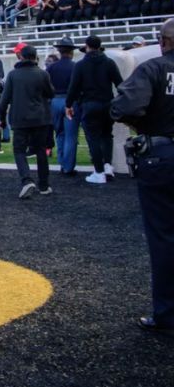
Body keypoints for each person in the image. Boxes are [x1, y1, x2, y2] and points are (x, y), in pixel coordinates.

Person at [111, 18, 174, 334]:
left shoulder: (153, 69)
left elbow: (123, 106)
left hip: (161, 156)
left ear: (163, 41)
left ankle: (166, 314)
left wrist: (145, 127)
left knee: (163, 237)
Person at [0, 44, 55, 199]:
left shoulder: (13, 75)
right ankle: (44, 184)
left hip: (20, 118)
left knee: (19, 150)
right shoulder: (42, 74)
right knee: (41, 151)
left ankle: (26, 179)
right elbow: (50, 93)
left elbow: (4, 100)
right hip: (40, 117)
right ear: (35, 57)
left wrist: (1, 119)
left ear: (21, 57)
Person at [67, 34, 122, 184]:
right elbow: (120, 83)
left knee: (93, 138)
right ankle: (107, 166)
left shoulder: (80, 65)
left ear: (87, 46)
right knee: (107, 135)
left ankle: (99, 172)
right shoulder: (109, 63)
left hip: (89, 104)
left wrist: (68, 104)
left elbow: (73, 88)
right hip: (107, 103)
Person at [48, 37, 80, 175]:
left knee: (60, 133)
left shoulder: (51, 68)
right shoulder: (75, 67)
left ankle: (62, 162)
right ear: (71, 52)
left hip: (55, 101)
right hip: (70, 101)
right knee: (71, 135)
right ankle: (68, 166)